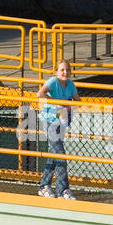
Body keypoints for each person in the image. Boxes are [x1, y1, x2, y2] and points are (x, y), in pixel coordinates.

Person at [36, 59, 81, 200]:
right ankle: (63, 190)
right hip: (50, 120)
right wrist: (55, 103)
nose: (65, 72)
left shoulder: (71, 84)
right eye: (62, 70)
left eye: (67, 70)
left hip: (62, 120)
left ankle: (44, 186)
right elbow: (40, 94)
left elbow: (78, 102)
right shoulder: (53, 82)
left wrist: (67, 107)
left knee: (54, 154)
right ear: (56, 71)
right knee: (60, 154)